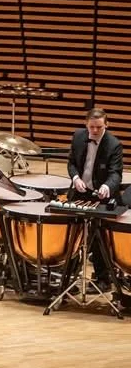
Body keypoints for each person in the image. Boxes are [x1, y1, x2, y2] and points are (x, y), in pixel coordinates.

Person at [68, 108, 125, 285]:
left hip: (102, 196)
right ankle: (68, 277)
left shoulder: (114, 145)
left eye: (99, 127)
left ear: (106, 125)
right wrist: (75, 178)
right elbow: (71, 163)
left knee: (100, 237)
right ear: (86, 124)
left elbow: (116, 173)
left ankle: (102, 279)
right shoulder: (78, 136)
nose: (94, 131)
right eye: (91, 127)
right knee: (73, 234)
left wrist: (107, 186)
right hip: (80, 192)